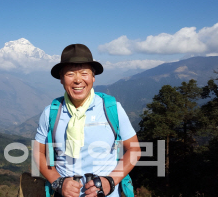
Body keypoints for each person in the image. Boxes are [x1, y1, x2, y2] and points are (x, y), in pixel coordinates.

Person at [33, 44, 141, 197]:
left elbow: (134, 149)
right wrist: (58, 182)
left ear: (93, 77)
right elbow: (38, 152)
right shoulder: (51, 113)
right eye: (70, 74)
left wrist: (110, 181)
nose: (78, 80)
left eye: (84, 73)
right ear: (61, 79)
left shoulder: (112, 109)